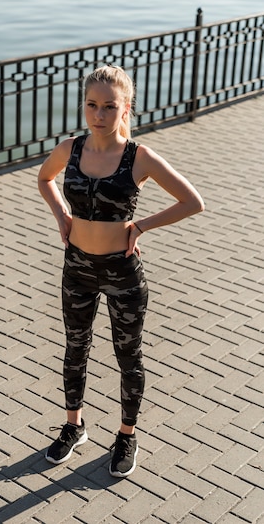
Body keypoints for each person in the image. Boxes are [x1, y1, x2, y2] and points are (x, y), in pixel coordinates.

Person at [37, 65, 205, 478]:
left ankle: (126, 434)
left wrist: (142, 224)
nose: (99, 114)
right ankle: (74, 427)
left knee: (127, 356)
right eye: (92, 105)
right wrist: (61, 214)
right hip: (76, 267)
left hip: (122, 273)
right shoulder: (71, 149)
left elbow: (192, 201)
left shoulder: (140, 157)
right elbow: (45, 179)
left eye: (109, 106)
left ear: (125, 108)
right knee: (75, 349)